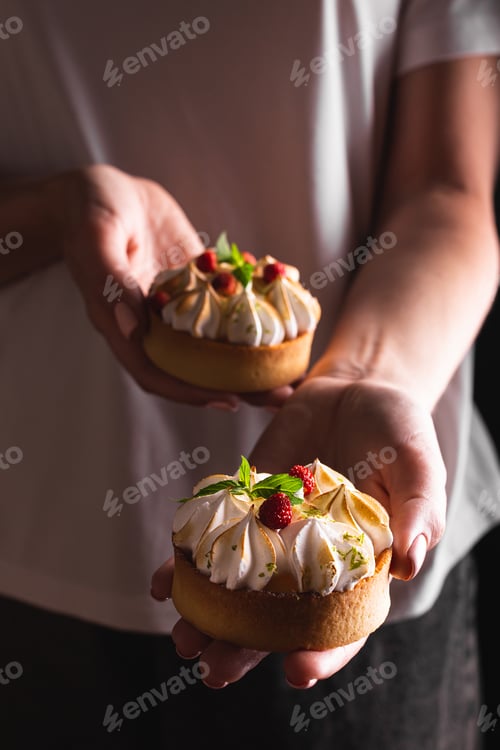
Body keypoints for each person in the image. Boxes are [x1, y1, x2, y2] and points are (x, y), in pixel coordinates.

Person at [1, 1, 499, 748]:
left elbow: (448, 193)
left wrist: (368, 372)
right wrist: (53, 212)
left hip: (372, 563)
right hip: (31, 553)